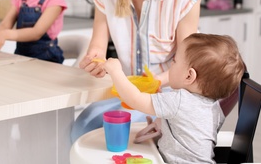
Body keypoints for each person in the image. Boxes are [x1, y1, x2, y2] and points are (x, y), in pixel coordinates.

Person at [71, 0, 205, 142]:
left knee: (109, 138)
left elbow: (187, 67)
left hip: (171, 96)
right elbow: (98, 46)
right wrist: (94, 61)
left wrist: (153, 83)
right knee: (81, 129)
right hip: (126, 92)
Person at [104, 33, 245, 163]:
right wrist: (163, 125)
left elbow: (134, 99)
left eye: (175, 61)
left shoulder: (179, 101)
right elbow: (189, 131)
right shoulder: (214, 109)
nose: (171, 64)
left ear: (189, 76)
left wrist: (116, 72)